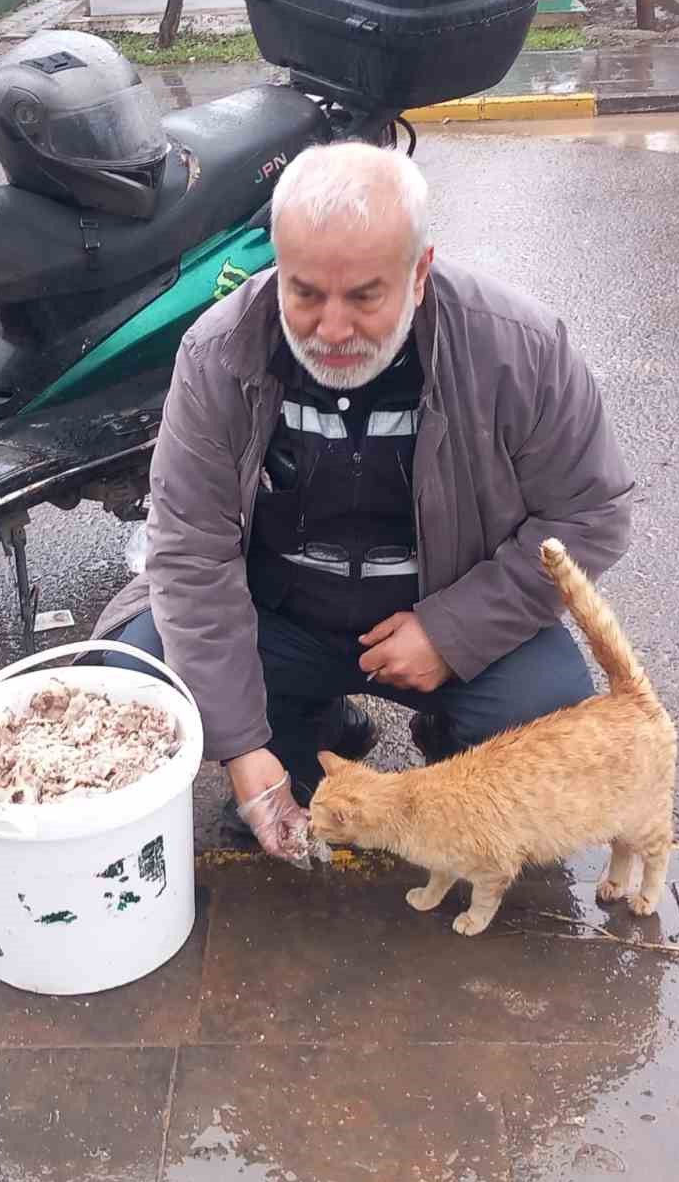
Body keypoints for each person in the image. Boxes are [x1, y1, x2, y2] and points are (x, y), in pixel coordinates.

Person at [95, 142, 634, 858]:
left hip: (442, 618)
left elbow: (590, 514)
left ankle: (448, 749)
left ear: (419, 273)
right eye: (306, 293)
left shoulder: (520, 349)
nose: (334, 329)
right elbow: (189, 550)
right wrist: (243, 748)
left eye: (365, 296)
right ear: (277, 270)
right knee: (133, 686)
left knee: (543, 718)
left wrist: (454, 631)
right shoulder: (218, 354)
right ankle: (309, 736)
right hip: (277, 623)